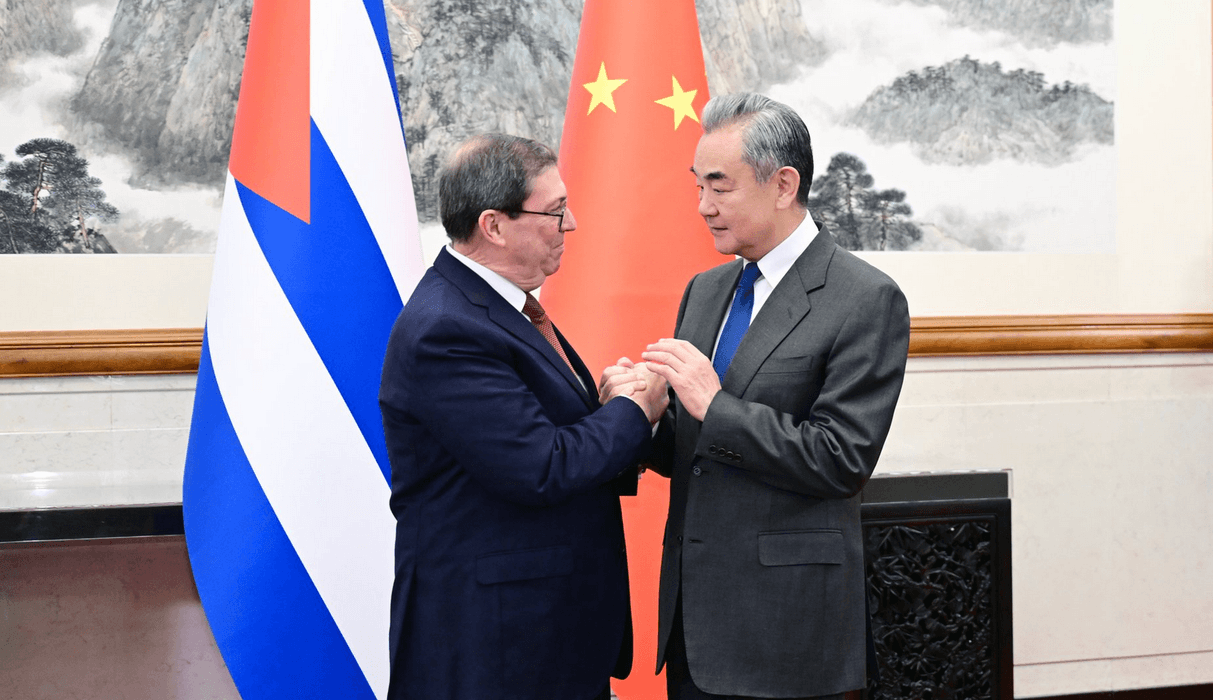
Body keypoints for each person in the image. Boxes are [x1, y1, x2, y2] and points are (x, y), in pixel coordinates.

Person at [613, 93, 910, 699]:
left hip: (785, 634)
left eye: (719, 187)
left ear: (783, 184)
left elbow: (840, 460)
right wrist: (644, 415)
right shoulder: (705, 290)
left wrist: (712, 403)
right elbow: (695, 453)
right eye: (697, 186)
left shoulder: (864, 298)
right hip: (692, 628)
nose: (702, 207)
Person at [379, 133, 668, 700]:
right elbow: (539, 467)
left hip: (542, 630)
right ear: (494, 225)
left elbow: (545, 439)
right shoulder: (448, 328)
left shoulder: (502, 307)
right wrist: (636, 409)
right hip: (496, 641)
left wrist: (608, 410)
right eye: (556, 211)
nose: (573, 224)